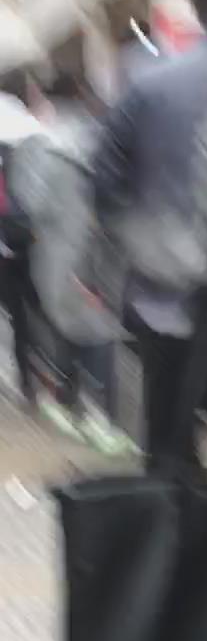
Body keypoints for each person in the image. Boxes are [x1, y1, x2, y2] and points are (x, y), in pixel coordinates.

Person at [94, 0, 207, 480]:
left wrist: (138, 244)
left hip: (162, 295)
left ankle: (174, 521)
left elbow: (104, 180)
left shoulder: (149, 83)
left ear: (193, 0)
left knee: (168, 445)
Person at [13, 68, 135, 455]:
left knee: (62, 329)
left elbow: (27, 203)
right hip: (91, 255)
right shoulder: (96, 138)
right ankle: (102, 421)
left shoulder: (35, 145)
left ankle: (65, 404)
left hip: (52, 254)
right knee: (98, 335)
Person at [0, 69, 43, 407]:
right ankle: (33, 382)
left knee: (14, 308)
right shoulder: (31, 126)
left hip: (5, 230)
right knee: (28, 308)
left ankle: (25, 381)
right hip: (29, 231)